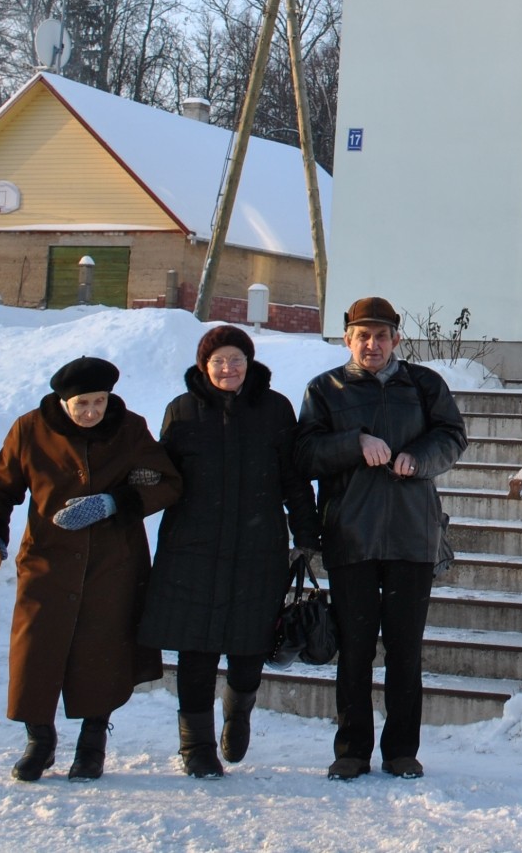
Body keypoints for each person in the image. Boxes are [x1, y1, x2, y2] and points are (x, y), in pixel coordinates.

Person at [0, 355, 181, 782]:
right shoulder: (31, 429)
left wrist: (114, 502)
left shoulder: (129, 428)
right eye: (82, 404)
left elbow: (168, 482)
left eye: (99, 402)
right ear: (63, 401)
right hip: (48, 561)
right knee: (36, 652)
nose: (91, 412)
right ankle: (40, 742)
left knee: (102, 652)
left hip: (113, 563)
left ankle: (92, 745)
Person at [138, 324, 321, 778]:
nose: (228, 368)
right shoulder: (181, 412)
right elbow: (166, 475)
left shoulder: (275, 409)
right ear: (204, 365)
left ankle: (238, 715)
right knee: (195, 651)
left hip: (257, 547)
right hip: (193, 549)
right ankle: (196, 746)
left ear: (249, 362)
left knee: (248, 646)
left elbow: (294, 479)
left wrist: (306, 533)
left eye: (236, 359)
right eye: (218, 360)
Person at [296, 296, 466, 780]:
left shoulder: (424, 384)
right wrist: (355, 443)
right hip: (351, 536)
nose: (372, 344)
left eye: (382, 335)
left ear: (396, 339)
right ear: (347, 339)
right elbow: (305, 453)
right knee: (354, 648)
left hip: (412, 536)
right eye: (362, 336)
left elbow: (452, 436)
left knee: (405, 649)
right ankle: (351, 750)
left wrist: (420, 457)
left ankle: (401, 752)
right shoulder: (325, 389)